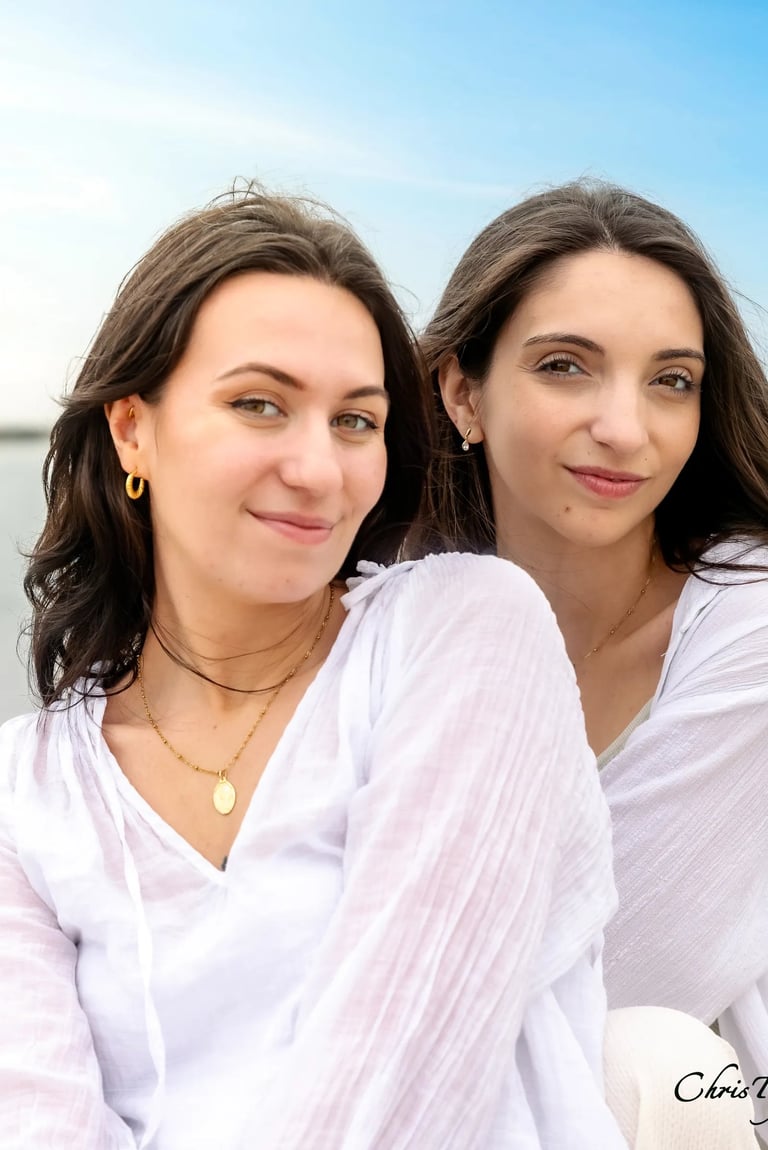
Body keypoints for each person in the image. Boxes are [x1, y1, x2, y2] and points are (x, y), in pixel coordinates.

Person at [0, 185, 627, 1148]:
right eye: (261, 404)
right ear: (134, 429)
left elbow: (406, 1075)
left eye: (355, 421)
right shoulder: (26, 792)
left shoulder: (464, 633)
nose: (318, 469)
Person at [417, 178, 768, 1145]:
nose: (626, 427)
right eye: (567, 366)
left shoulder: (748, 635)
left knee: (651, 1054)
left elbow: (619, 972)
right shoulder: (389, 617)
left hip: (676, 1110)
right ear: (462, 392)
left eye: (671, 380)